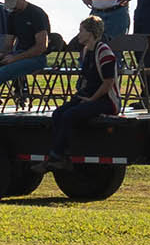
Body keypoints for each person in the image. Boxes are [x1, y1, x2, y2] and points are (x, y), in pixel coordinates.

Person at [46, 15, 120, 165]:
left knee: (69, 115)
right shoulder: (86, 51)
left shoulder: (104, 52)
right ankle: (62, 153)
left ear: (91, 33)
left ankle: (57, 156)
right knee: (58, 113)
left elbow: (108, 82)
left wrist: (91, 99)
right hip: (89, 96)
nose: (78, 34)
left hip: (106, 100)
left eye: (81, 31)